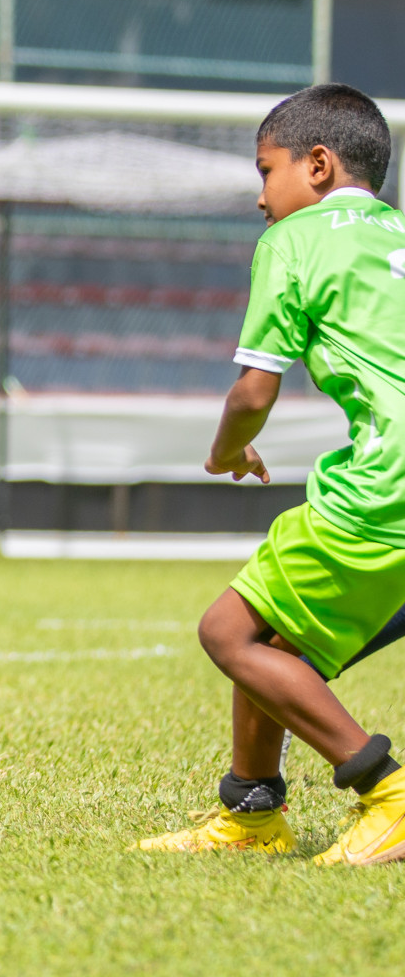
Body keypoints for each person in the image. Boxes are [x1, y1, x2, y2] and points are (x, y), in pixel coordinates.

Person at [136, 83, 405, 865]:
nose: (260, 197)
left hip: (388, 484)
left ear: (317, 165)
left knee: (227, 631)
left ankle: (386, 791)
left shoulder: (293, 241)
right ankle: (252, 814)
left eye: (266, 171)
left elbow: (255, 391)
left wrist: (224, 451)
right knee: (269, 626)